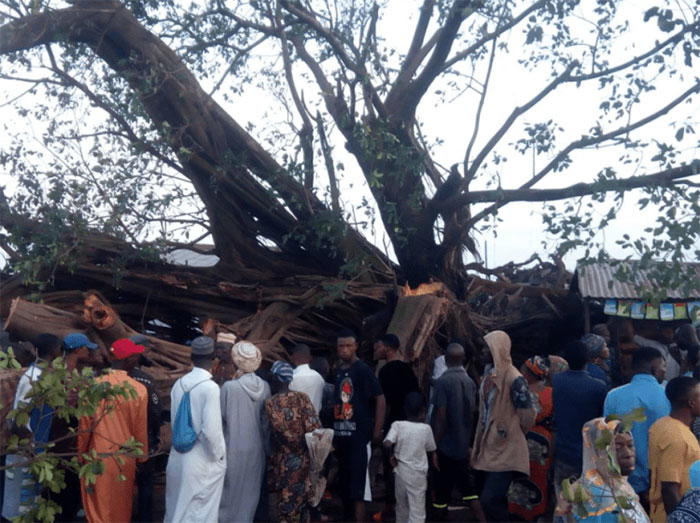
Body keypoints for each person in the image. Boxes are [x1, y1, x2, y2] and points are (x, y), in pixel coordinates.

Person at [78, 338, 149, 523]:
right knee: (121, 507)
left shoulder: (94, 386)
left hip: (96, 457)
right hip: (124, 460)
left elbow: (85, 426)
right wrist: (142, 458)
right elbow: (140, 430)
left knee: (97, 510)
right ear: (129, 360)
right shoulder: (139, 390)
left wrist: (80, 456)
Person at [472, 330, 536, 522]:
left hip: (506, 447)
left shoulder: (514, 379)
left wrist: (511, 430)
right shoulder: (489, 375)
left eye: (487, 348)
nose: (483, 351)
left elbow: (527, 414)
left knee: (490, 499)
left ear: (497, 349)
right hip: (488, 446)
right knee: (491, 500)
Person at [165, 336, 226, 523]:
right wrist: (219, 456)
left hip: (177, 457)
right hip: (201, 460)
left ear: (192, 357)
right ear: (214, 358)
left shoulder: (178, 384)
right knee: (200, 514)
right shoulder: (211, 388)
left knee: (177, 511)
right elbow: (211, 432)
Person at [2, 334, 61, 520]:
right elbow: (19, 418)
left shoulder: (44, 376)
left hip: (35, 450)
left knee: (29, 503)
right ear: (54, 352)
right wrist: (30, 447)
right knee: (19, 505)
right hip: (26, 451)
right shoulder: (33, 378)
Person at [332, 328, 386, 522]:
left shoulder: (362, 370)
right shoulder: (339, 371)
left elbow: (380, 398)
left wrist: (377, 430)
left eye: (348, 345)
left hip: (358, 439)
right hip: (341, 438)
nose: (344, 349)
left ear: (355, 347)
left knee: (358, 490)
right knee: (344, 487)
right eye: (341, 346)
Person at [603, 347, 670, 502]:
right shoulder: (667, 395)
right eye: (663, 367)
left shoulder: (613, 396)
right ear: (654, 368)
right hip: (659, 480)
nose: (665, 371)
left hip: (624, 479)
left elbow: (607, 437)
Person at [554, 417, 648, 522]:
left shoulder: (620, 487)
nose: (628, 453)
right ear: (599, 453)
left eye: (630, 445)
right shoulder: (599, 498)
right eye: (617, 448)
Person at [48, 332, 100, 522]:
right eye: (87, 349)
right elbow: (69, 411)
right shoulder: (69, 377)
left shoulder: (56, 371)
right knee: (64, 498)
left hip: (58, 444)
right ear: (78, 350)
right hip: (65, 444)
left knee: (59, 497)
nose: (90, 353)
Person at [219, 341, 270, 523]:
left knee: (229, 494)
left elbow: (221, 419)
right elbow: (265, 422)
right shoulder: (265, 387)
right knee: (250, 494)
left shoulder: (229, 388)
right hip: (257, 450)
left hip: (232, 447)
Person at [265, 360, 322, 522]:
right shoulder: (302, 398)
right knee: (304, 500)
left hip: (284, 460)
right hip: (306, 457)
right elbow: (315, 426)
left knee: (287, 503)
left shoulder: (271, 402)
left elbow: (279, 430)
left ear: (275, 379)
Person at [430, 342, 482, 520]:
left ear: (445, 358)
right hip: (462, 444)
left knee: (441, 489)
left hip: (445, 445)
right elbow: (473, 414)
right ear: (463, 359)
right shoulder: (470, 382)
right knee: (468, 489)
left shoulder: (442, 382)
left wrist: (435, 446)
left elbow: (441, 416)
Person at [552, 340, 608, 497]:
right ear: (588, 359)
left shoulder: (556, 381)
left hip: (563, 451)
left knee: (563, 499)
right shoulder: (598, 386)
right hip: (588, 453)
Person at [374, 333, 419, 521]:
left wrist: (381, 428)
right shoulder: (408, 369)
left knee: (390, 467)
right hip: (409, 423)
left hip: (393, 424)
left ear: (388, 348)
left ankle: (390, 508)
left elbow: (385, 402)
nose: (375, 350)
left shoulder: (385, 372)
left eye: (378, 347)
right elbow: (416, 397)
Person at [508, 356, 555, 521]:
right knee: (540, 479)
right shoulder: (550, 393)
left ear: (529, 373)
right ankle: (537, 515)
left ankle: (518, 513)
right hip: (544, 444)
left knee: (520, 478)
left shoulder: (521, 392)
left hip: (522, 440)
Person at [648, 376, 700, 521]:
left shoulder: (661, 425)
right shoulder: (677, 436)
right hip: (674, 515)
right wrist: (680, 518)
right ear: (691, 403)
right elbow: (670, 487)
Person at [384, 391, 437, 523]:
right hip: (418, 476)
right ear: (423, 411)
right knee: (417, 511)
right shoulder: (426, 429)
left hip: (400, 473)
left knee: (401, 508)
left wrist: (391, 456)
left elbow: (387, 443)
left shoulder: (397, 425)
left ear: (404, 409)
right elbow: (432, 449)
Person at [127, 334, 163, 523]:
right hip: (143, 440)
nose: (148, 352)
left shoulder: (109, 377)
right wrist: (156, 436)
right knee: (145, 485)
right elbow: (155, 412)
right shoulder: (146, 381)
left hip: (117, 441)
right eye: (147, 349)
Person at [290, 343, 326, 414]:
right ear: (310, 358)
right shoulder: (319, 378)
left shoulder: (291, 377)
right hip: (314, 421)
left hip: (296, 420)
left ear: (294, 357)